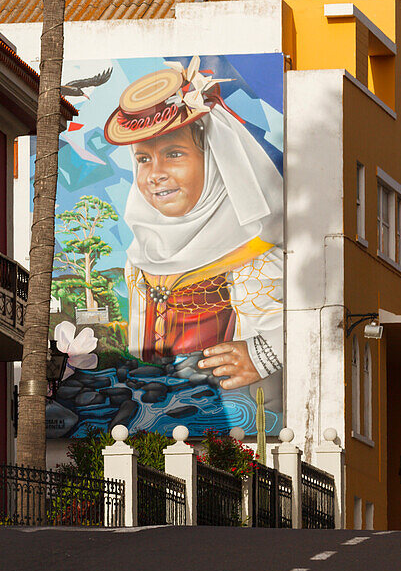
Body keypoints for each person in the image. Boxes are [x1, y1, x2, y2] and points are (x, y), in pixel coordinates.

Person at [104, 58, 283, 390]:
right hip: (150, 426)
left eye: (174, 154)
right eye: (143, 159)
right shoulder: (140, 255)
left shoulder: (252, 255)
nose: (155, 174)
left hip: (236, 426)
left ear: (215, 160)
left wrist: (264, 354)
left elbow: (308, 324)